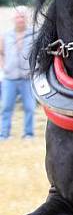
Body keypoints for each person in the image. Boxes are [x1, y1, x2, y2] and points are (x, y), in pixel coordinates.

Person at [0, 7, 35, 139]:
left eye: (22, 17)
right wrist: (4, 67)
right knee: (6, 108)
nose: (20, 19)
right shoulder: (5, 35)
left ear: (26, 19)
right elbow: (1, 53)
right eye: (18, 17)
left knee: (30, 108)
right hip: (9, 78)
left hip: (27, 78)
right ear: (13, 19)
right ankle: (3, 134)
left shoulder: (33, 34)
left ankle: (28, 134)